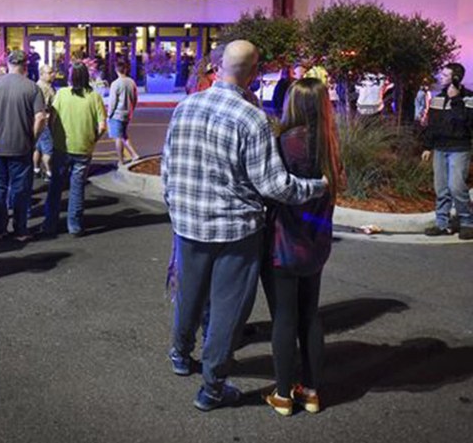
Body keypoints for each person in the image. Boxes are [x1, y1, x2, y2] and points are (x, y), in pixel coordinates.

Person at [161, 40, 328, 412]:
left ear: (218, 67)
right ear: (253, 74)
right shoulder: (250, 118)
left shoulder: (185, 106)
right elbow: (273, 186)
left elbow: (167, 168)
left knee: (189, 293)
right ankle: (213, 387)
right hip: (234, 230)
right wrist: (319, 186)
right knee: (227, 309)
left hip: (188, 223)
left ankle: (179, 353)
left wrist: (176, 209)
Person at [263, 77, 342, 416]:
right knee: (310, 315)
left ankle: (282, 394)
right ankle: (310, 391)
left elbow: (272, 189)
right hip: (316, 243)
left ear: (292, 104)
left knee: (284, 316)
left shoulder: (283, 142)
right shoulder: (330, 145)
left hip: (283, 242)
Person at [0, 50, 46, 241]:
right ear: (25, 66)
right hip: (21, 146)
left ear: (8, 65)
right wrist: (33, 138)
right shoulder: (32, 88)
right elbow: (40, 117)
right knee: (20, 190)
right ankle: (20, 229)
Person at [41, 62, 107, 237]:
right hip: (83, 149)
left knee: (55, 187)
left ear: (70, 77)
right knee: (77, 187)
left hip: (62, 147)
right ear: (87, 77)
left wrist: (54, 137)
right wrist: (93, 140)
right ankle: (75, 226)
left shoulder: (62, 94)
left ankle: (50, 224)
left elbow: (52, 119)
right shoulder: (94, 97)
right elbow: (101, 126)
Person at [421, 63, 473, 239]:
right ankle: (441, 223)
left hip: (459, 148)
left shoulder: (468, 99)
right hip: (440, 149)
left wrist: (456, 100)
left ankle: (466, 222)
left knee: (457, 187)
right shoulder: (437, 98)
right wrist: (428, 146)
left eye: (445, 75)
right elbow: (432, 125)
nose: (440, 77)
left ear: (455, 78)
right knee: (441, 188)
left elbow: (466, 123)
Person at [107, 57, 140, 165]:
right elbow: (135, 99)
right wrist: (132, 110)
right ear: (126, 69)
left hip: (117, 114)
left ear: (116, 70)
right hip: (127, 113)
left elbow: (112, 102)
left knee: (118, 137)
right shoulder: (132, 82)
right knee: (124, 135)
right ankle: (134, 154)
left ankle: (121, 160)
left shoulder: (115, 84)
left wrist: (109, 114)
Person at [34, 62, 56, 181]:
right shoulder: (46, 88)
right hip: (45, 122)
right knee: (48, 150)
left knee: (37, 147)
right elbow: (51, 107)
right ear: (41, 74)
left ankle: (36, 169)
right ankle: (49, 172)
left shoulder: (37, 85)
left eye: (53, 72)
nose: (53, 74)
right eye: (50, 73)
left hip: (36, 121)